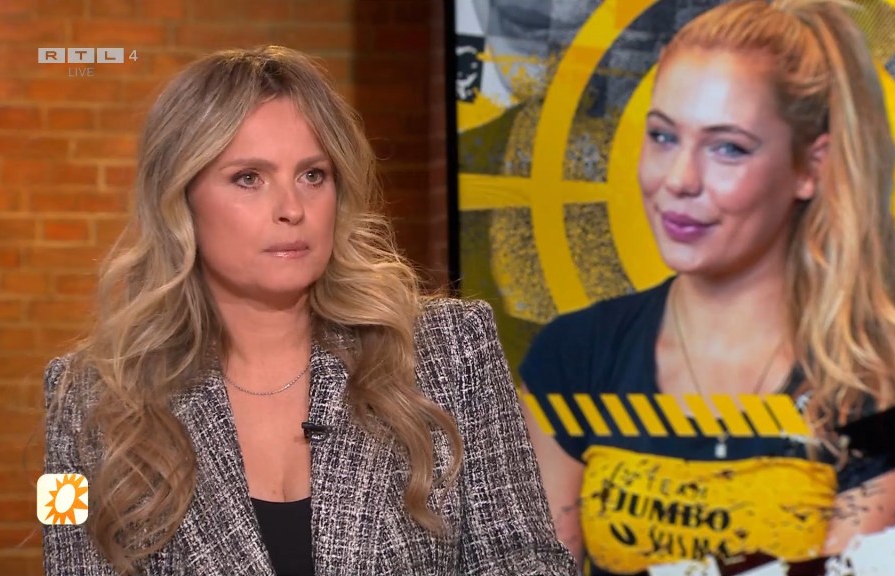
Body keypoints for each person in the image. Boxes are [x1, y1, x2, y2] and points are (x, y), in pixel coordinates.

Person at [41, 45, 577, 576]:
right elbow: (68, 564)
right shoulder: (80, 397)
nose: (292, 209)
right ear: (180, 198)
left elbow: (529, 559)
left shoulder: (455, 349)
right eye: (249, 178)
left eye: (312, 175)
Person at [519, 0, 895, 573]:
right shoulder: (574, 354)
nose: (679, 180)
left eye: (728, 147)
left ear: (811, 167)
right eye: (663, 136)